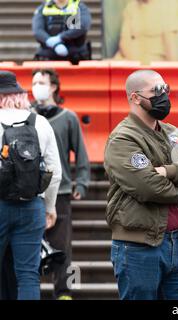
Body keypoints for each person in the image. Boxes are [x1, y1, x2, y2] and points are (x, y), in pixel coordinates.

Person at [103, 70, 178, 300]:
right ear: (135, 98)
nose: (163, 95)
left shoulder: (171, 133)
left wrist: (170, 171)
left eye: (165, 89)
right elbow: (150, 188)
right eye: (155, 91)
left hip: (177, 243)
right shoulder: (123, 139)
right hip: (138, 247)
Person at [0, 71, 62, 300]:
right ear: (19, 94)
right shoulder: (40, 122)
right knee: (28, 275)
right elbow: (55, 172)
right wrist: (50, 207)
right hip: (31, 205)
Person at [30, 68, 90, 300]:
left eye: (41, 81)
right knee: (27, 248)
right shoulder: (26, 116)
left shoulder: (68, 118)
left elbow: (81, 154)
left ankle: (64, 293)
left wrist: (82, 182)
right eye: (34, 82)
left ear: (54, 86)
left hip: (61, 191)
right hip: (30, 192)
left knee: (62, 248)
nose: (37, 86)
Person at [114, 0, 178, 63]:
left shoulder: (167, 6)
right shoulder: (131, 7)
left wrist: (174, 72)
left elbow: (170, 47)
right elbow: (124, 42)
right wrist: (136, 63)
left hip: (153, 63)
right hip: (128, 60)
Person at [32, 0, 92, 64]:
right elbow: (37, 30)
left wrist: (61, 37)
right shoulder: (43, 8)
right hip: (47, 57)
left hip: (76, 57)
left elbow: (83, 26)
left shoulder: (79, 6)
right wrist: (52, 42)